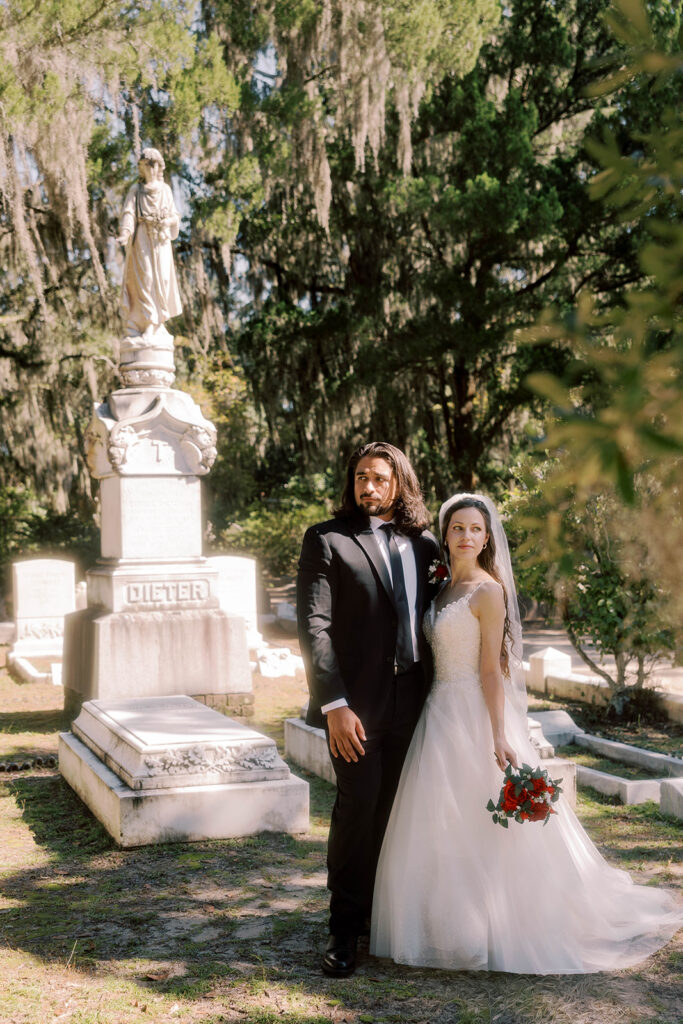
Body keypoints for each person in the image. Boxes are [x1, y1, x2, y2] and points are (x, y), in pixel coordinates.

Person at [371, 493, 683, 973]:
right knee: (442, 820)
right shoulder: (443, 589)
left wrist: (498, 734)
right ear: (445, 534)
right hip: (437, 711)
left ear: (487, 538)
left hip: (473, 712)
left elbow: (491, 670)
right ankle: (448, 925)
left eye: (476, 529)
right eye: (458, 528)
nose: (467, 537)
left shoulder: (487, 591)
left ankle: (503, 922)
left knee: (485, 818)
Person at [297, 442, 440, 977]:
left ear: (399, 483)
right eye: (361, 477)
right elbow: (315, 626)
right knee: (357, 809)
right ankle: (344, 928)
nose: (369, 487)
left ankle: (386, 916)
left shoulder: (426, 545)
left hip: (417, 701)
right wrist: (334, 703)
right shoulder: (327, 539)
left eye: (379, 478)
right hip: (354, 708)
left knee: (398, 810)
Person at [117, 147, 182, 338]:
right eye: (145, 165)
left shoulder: (165, 190)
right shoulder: (136, 190)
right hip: (142, 238)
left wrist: (167, 222)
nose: (149, 169)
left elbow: (175, 216)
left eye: (152, 165)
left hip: (160, 240)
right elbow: (128, 212)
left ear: (158, 166)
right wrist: (125, 233)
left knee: (162, 278)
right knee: (146, 278)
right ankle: (146, 321)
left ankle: (158, 322)